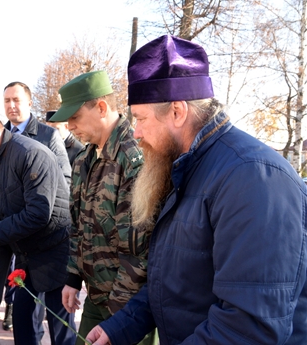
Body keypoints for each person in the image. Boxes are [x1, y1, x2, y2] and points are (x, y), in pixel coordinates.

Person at [87, 35, 307, 345]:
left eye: (140, 119)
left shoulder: (253, 179)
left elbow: (248, 328)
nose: (135, 132)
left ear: (177, 111)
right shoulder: (185, 167)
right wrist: (121, 327)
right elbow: (174, 280)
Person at [48, 71, 155, 345]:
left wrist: (119, 321)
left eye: (75, 117)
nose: (69, 126)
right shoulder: (84, 158)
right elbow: (78, 225)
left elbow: (139, 249)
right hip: (97, 296)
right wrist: (73, 277)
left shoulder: (135, 158)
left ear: (101, 107)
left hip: (129, 308)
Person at [0, 109, 75, 345]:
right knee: (23, 326)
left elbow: (38, 214)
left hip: (54, 254)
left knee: (61, 331)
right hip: (25, 255)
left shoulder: (31, 153)